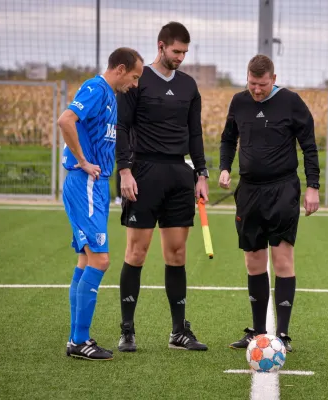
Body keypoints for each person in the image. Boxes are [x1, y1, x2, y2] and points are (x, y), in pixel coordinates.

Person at [115, 21, 210, 353]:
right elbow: (123, 127)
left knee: (177, 254)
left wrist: (201, 174)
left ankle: (178, 332)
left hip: (179, 174)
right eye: (176, 51)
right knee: (136, 253)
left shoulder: (189, 86)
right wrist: (125, 171)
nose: (181, 58)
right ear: (161, 46)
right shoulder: (139, 83)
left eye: (185, 52)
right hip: (144, 171)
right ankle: (127, 330)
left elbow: (195, 133)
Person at [219, 54, 320, 352]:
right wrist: (225, 166)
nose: (257, 90)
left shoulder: (292, 102)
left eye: (262, 84)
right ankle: (258, 332)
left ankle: (283, 335)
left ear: (273, 79)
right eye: (252, 83)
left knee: (282, 259)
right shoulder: (238, 102)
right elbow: (228, 139)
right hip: (249, 191)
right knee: (253, 261)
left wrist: (312, 186)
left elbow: (309, 147)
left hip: (283, 189)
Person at [58, 47, 144, 360]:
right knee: (101, 260)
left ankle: (76, 339)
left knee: (85, 260)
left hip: (95, 186)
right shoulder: (96, 88)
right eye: (134, 77)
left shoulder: (110, 96)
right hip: (87, 183)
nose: (134, 84)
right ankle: (79, 341)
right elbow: (66, 120)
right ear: (120, 69)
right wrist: (82, 161)